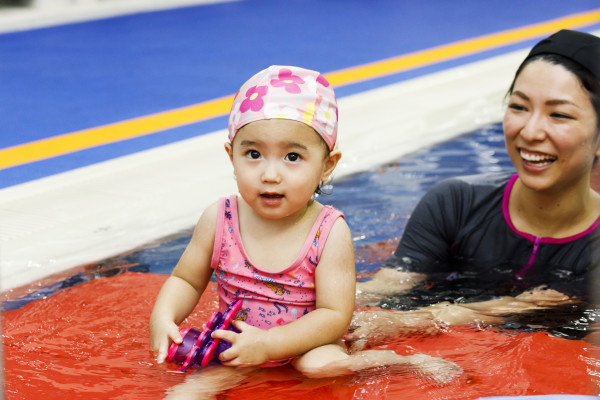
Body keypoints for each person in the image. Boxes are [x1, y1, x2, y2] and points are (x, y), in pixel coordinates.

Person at [149, 65, 460, 395]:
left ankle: (404, 362)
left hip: (307, 344)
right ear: (231, 156)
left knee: (320, 366)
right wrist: (164, 318)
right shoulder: (220, 218)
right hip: (241, 344)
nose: (270, 174)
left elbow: (334, 315)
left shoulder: (328, 232)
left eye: (292, 157)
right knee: (184, 393)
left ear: (327, 166)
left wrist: (270, 344)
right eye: (253, 154)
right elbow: (185, 279)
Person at [348, 29, 600, 350]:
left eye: (559, 114)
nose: (530, 131)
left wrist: (405, 322)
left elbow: (524, 307)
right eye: (519, 107)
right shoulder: (456, 202)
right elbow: (388, 286)